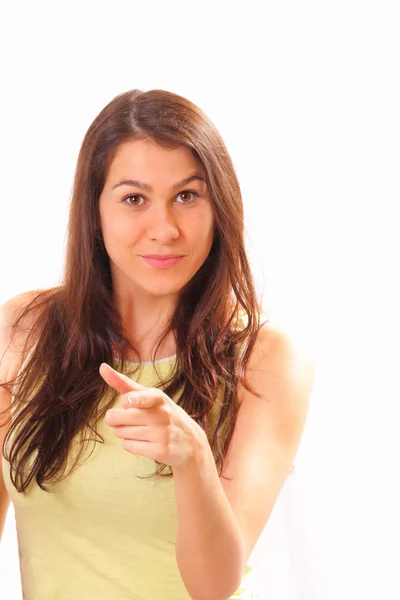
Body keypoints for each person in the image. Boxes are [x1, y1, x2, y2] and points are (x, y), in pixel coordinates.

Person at [0, 88, 315, 600]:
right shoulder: (24, 328)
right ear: (94, 213)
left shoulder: (267, 358)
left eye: (187, 196)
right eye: (134, 199)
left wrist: (192, 457)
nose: (164, 229)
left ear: (220, 207)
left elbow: (214, 586)